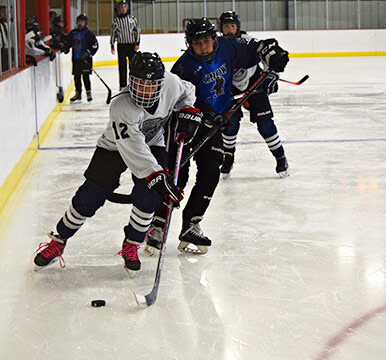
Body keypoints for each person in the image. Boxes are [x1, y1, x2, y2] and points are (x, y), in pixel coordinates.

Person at [32, 52, 201, 275]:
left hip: (152, 144)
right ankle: (59, 240)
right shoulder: (122, 106)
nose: (144, 92)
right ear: (131, 82)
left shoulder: (171, 84)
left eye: (151, 86)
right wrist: (155, 176)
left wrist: (188, 110)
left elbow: (188, 90)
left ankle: (131, 245)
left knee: (149, 199)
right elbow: (135, 149)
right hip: (114, 147)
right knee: (89, 196)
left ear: (161, 83)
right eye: (139, 85)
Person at [145, 18, 289, 256]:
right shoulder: (184, 68)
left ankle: (191, 223)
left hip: (214, 126)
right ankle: (159, 223)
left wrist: (273, 53)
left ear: (214, 38)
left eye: (207, 41)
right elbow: (178, 102)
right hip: (185, 126)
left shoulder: (228, 47)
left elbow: (256, 48)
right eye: (197, 42)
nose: (203, 46)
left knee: (211, 171)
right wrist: (203, 113)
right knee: (177, 175)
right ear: (189, 44)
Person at [218, 11, 289, 179]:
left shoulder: (249, 41)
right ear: (221, 28)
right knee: (230, 125)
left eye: (232, 26)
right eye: (226, 26)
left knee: (265, 125)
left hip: (254, 85)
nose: (229, 30)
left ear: (238, 27)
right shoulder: (217, 45)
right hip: (230, 90)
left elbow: (270, 54)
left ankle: (281, 158)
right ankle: (228, 158)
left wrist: (273, 75)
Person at [64, 14, 98, 103]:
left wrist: (89, 53)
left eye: (82, 21)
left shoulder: (89, 33)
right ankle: (78, 94)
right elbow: (68, 42)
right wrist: (65, 48)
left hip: (85, 59)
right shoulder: (73, 33)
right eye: (79, 21)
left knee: (86, 76)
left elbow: (95, 45)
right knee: (77, 76)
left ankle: (88, 93)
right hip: (76, 58)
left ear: (85, 23)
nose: (80, 23)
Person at [110, 0, 140, 90]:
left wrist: (137, 43)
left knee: (133, 66)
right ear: (119, 9)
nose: (123, 9)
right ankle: (122, 86)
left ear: (127, 8)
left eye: (124, 7)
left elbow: (137, 31)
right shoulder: (116, 21)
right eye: (121, 7)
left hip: (131, 45)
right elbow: (113, 34)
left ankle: (133, 84)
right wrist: (112, 45)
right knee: (122, 67)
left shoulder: (133, 19)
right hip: (121, 46)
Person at [0, 5, 15, 71]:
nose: (5, 13)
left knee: (12, 66)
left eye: (6, 11)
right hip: (4, 50)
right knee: (5, 68)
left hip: (12, 48)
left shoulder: (11, 22)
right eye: (2, 12)